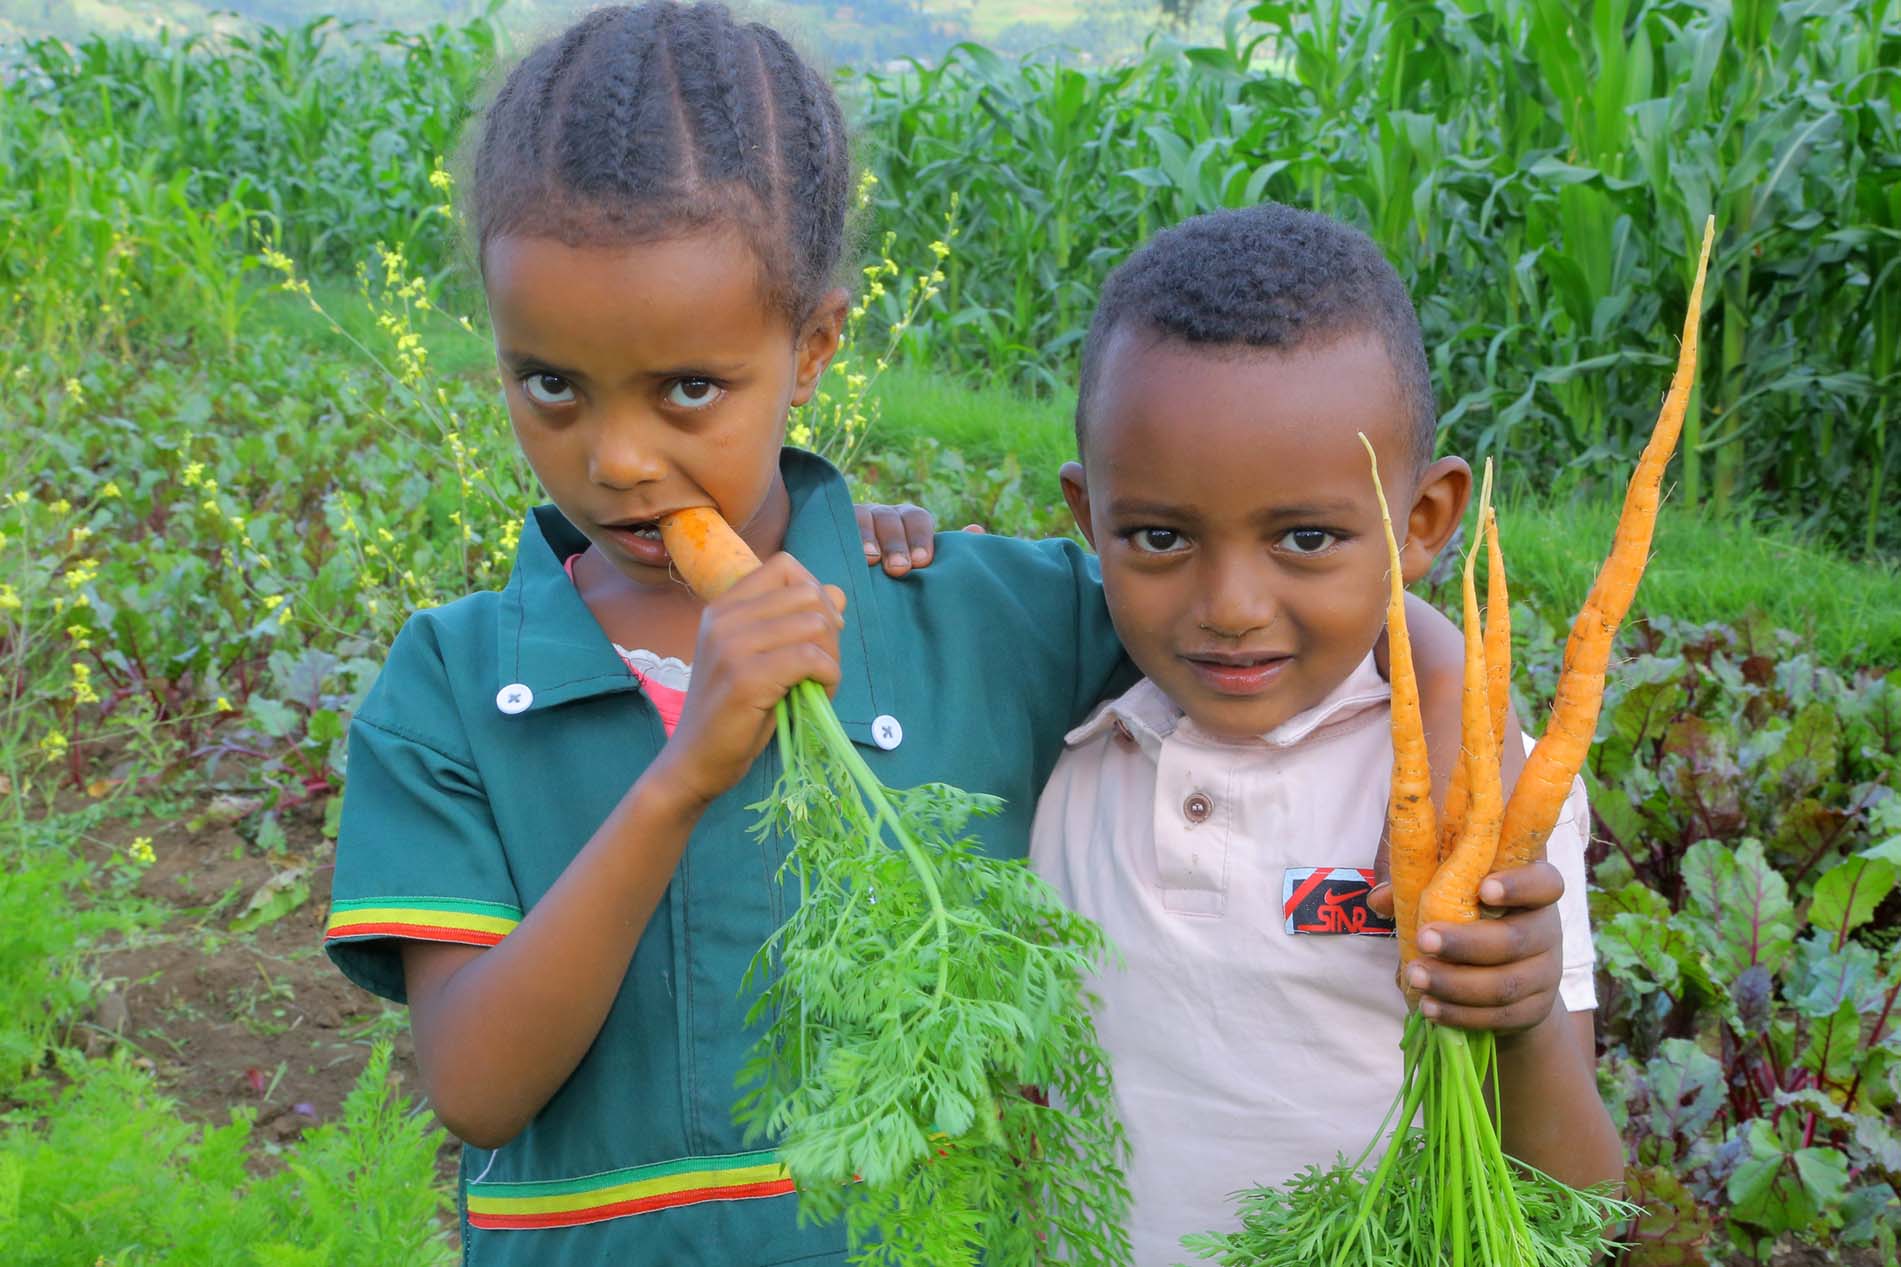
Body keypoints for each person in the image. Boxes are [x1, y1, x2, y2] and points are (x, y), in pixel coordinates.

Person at [318, 5, 1144, 1262]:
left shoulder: (981, 615)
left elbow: (1267, 623)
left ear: (812, 345)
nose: (614, 460)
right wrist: (685, 771)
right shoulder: (453, 685)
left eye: (688, 389)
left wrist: (1437, 670)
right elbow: (478, 1088)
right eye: (548, 383)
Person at [991, 202, 1622, 1264]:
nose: (1230, 604)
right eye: (1157, 536)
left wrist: (1518, 1024)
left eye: (1304, 538)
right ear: (1086, 514)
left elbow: (1575, 1204)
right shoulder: (1075, 740)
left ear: (1421, 523)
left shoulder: (1483, 796)